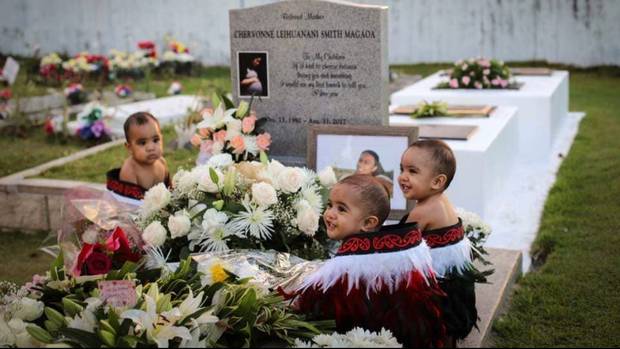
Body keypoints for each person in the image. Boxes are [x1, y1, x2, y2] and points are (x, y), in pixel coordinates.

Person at [287, 174, 447, 347]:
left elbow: (312, 308)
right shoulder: (397, 256)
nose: (330, 214)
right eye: (329, 205)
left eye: (341, 209)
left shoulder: (347, 270)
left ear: (369, 223)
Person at [398, 139, 483, 346]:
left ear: (437, 182)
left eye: (412, 171)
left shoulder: (422, 211)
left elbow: (397, 248)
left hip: (439, 299)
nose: (402, 177)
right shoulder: (442, 201)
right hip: (454, 292)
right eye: (402, 169)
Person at [106, 112, 170, 204]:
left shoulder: (161, 162)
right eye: (143, 143)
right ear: (129, 147)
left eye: (156, 140)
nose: (151, 147)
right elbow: (128, 205)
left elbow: (170, 189)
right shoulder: (130, 170)